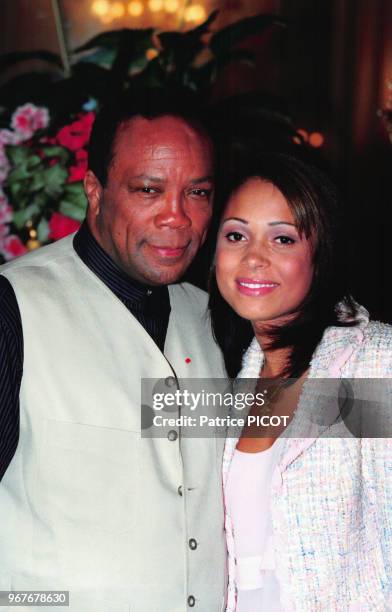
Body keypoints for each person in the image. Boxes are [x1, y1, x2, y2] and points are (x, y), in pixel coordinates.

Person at [0, 89, 228, 612]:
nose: (177, 217)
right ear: (95, 191)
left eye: (197, 193)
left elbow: (337, 419)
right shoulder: (15, 307)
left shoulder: (215, 317)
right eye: (149, 190)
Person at [209, 152, 392, 611]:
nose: (253, 258)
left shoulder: (372, 361)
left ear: (321, 254)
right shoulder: (234, 381)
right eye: (236, 235)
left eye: (283, 239)